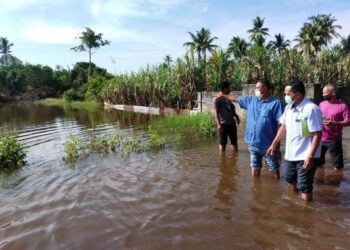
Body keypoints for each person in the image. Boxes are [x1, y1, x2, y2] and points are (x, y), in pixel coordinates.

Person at [267, 79, 323, 201]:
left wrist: (310, 156)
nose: (286, 96)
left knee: (305, 186)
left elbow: (317, 134)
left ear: (298, 94)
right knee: (290, 179)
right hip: (290, 154)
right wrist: (274, 143)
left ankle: (305, 212)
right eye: (285, 94)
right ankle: (294, 205)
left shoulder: (311, 109)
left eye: (288, 94)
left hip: (305, 155)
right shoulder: (288, 108)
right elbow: (283, 126)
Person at [216, 79, 283, 178]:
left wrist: (276, 144)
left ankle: (276, 189)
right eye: (255, 88)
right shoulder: (251, 100)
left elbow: (280, 124)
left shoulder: (276, 103)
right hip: (253, 143)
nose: (256, 90)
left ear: (266, 88)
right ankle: (256, 190)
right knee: (255, 168)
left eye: (258, 88)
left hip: (269, 145)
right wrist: (223, 96)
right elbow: (236, 98)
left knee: (273, 168)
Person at [319, 84, 350, 170]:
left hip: (334, 140)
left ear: (333, 93)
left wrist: (334, 123)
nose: (323, 95)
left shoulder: (342, 106)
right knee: (317, 165)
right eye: (322, 93)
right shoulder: (321, 104)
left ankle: (337, 182)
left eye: (325, 93)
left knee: (337, 168)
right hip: (319, 139)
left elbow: (348, 122)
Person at [213, 81, 240, 152]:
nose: (230, 89)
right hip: (223, 124)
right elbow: (216, 112)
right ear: (225, 88)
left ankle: (234, 159)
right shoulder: (217, 99)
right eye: (229, 88)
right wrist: (218, 124)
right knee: (223, 143)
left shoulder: (228, 98)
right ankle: (222, 160)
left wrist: (236, 117)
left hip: (232, 124)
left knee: (234, 142)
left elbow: (231, 109)